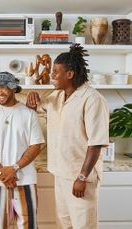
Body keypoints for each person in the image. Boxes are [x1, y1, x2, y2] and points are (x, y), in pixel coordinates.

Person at [26, 44, 109, 229]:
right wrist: (32, 95)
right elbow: (35, 107)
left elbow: (96, 144)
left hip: (79, 177)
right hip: (60, 173)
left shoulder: (93, 100)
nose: (51, 75)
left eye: (56, 71)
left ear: (70, 74)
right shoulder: (57, 96)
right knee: (64, 224)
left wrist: (82, 177)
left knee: (83, 225)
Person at [0, 72, 45, 229]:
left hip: (25, 180)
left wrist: (14, 168)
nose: (0, 92)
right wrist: (3, 173)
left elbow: (36, 146)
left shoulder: (28, 114)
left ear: (14, 89)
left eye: (5, 87)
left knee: (29, 226)